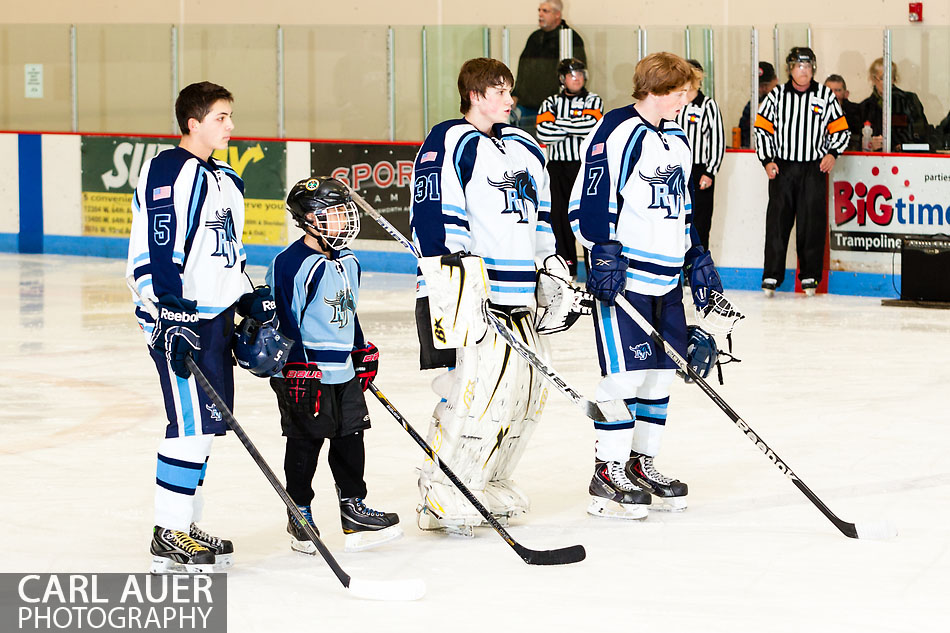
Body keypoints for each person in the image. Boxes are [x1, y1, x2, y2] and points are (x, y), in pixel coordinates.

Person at [127, 81, 278, 573]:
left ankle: (185, 523)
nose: (230, 125)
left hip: (213, 321)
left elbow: (225, 253)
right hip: (180, 321)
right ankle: (167, 531)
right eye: (220, 117)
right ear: (193, 123)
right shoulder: (168, 170)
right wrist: (169, 313)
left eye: (230, 115)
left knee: (206, 428)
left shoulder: (228, 179)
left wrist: (246, 297)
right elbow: (158, 248)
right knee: (188, 425)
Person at [570, 52, 727, 519]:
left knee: (660, 376)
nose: (688, 102)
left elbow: (681, 209)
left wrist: (695, 252)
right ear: (659, 90)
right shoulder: (618, 131)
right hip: (626, 280)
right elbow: (589, 201)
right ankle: (607, 471)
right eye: (683, 94)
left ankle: (641, 464)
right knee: (623, 376)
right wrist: (602, 250)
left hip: (666, 281)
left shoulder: (678, 137)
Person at [410, 57, 560, 537]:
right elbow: (434, 213)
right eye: (501, 91)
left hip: (518, 295)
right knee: (476, 392)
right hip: (468, 290)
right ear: (476, 95)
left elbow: (541, 216)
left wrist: (549, 265)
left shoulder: (523, 146)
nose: (510, 100)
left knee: (525, 395)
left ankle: (488, 477)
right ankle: (443, 486)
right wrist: (456, 280)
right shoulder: (450, 140)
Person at [267, 177, 402, 554]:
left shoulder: (349, 261)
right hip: (303, 372)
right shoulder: (291, 263)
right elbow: (283, 318)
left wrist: (360, 348)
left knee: (350, 438)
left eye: (345, 211)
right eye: (335, 213)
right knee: (305, 442)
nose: (344, 219)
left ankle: (352, 509)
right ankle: (300, 511)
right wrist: (295, 367)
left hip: (341, 369)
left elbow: (348, 310)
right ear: (310, 218)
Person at [755, 47, 850, 297]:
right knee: (777, 223)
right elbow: (761, 129)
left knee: (811, 224)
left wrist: (832, 153)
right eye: (798, 66)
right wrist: (767, 160)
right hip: (783, 168)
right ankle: (771, 276)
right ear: (790, 69)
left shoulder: (824, 96)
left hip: (813, 168)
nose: (803, 71)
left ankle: (810, 276)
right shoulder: (776, 96)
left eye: (807, 67)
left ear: (813, 69)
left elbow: (842, 130)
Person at [536, 58, 603, 276]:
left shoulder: (594, 100)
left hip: (584, 167)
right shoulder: (550, 102)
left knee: (586, 213)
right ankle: (567, 265)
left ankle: (594, 266)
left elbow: (592, 127)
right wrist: (575, 125)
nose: (578, 79)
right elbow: (543, 133)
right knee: (559, 216)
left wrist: (560, 124)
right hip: (557, 167)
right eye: (573, 75)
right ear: (562, 79)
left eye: (581, 74)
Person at [511, 0, 586, 140]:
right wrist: (515, 94)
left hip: (554, 108)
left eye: (545, 11)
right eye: (539, 10)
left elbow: (577, 73)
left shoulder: (570, 39)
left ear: (558, 14)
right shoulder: (534, 38)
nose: (540, 14)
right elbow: (523, 69)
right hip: (527, 107)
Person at [674, 59, 725, 252]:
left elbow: (717, 141)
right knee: (675, 220)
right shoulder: (673, 102)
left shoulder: (707, 105)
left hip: (699, 170)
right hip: (675, 170)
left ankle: (697, 268)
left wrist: (710, 172)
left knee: (699, 222)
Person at [858, 58, 932, 151]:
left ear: (894, 79)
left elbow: (921, 134)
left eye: (890, 78)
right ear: (873, 79)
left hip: (906, 159)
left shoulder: (909, 101)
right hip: (875, 161)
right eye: (882, 78)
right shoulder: (865, 107)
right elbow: (855, 141)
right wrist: (869, 144)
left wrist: (901, 146)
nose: (886, 82)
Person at [738, 62, 778, 148]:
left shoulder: (785, 100)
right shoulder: (752, 104)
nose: (762, 89)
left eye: (766, 85)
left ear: (775, 80)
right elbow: (742, 130)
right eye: (759, 85)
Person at [824, 73, 863, 149]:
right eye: (829, 90)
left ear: (846, 94)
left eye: (837, 90)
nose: (833, 94)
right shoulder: (814, 111)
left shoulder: (857, 112)